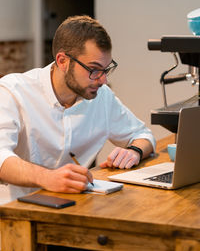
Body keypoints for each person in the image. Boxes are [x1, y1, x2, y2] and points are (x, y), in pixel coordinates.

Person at [0, 15, 156, 204]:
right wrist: (48, 178)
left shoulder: (102, 97)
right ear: (63, 61)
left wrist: (133, 151)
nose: (103, 80)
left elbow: (143, 135)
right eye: (94, 69)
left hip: (73, 209)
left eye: (106, 70)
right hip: (14, 214)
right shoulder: (12, 92)